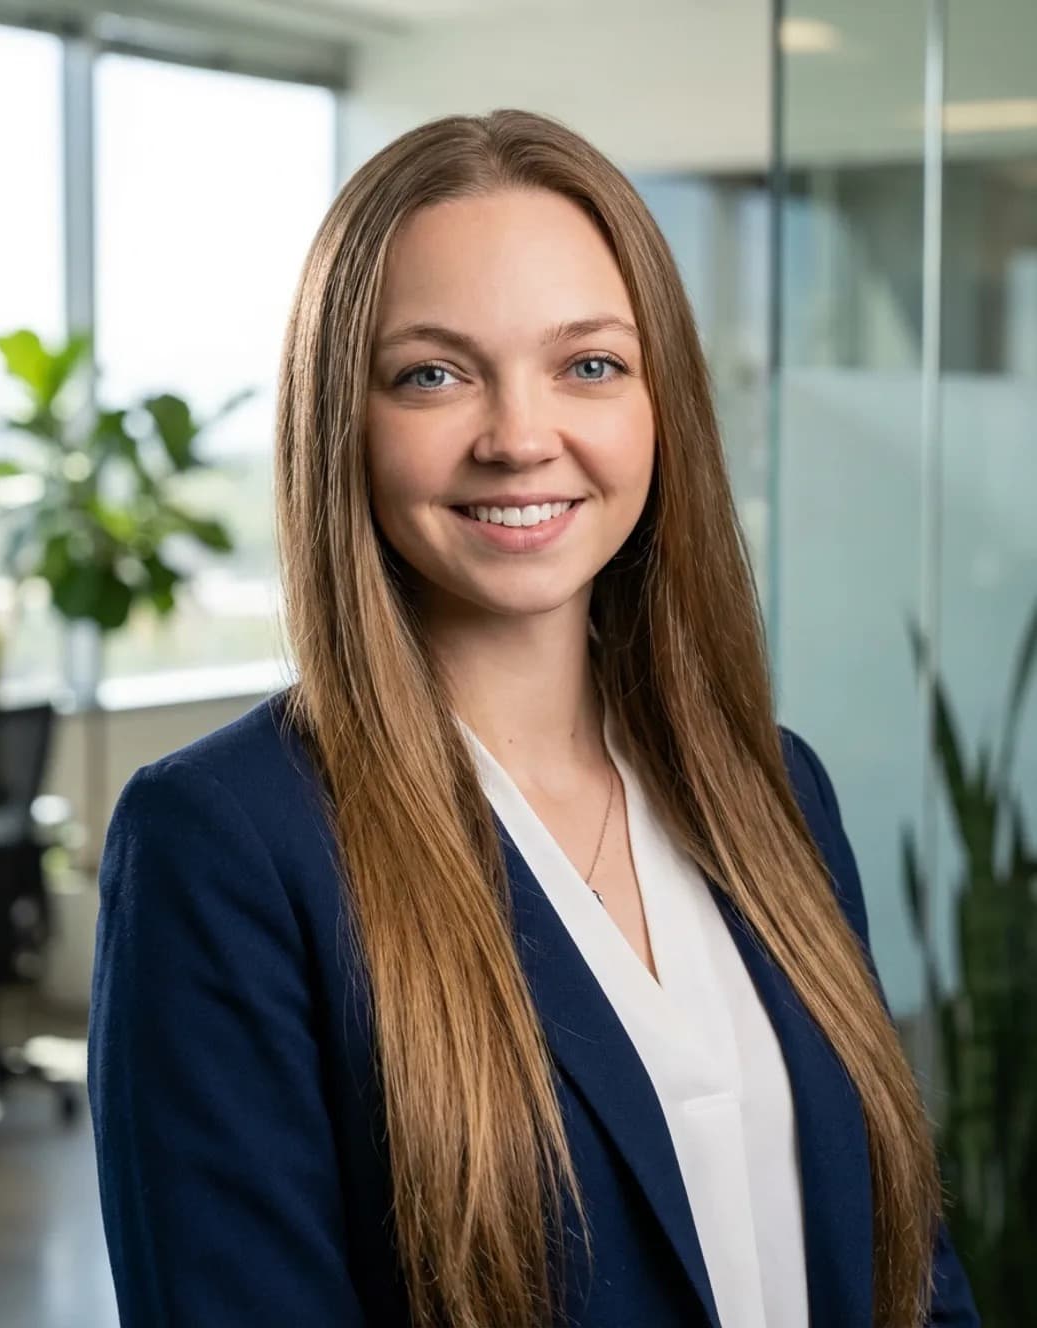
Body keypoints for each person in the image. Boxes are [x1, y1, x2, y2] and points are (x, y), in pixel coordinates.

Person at [87, 109, 979, 1328]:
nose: (517, 437)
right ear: (340, 418)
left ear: (661, 405)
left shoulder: (773, 786)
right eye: (432, 374)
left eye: (588, 364)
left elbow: (908, 1270)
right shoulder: (225, 843)